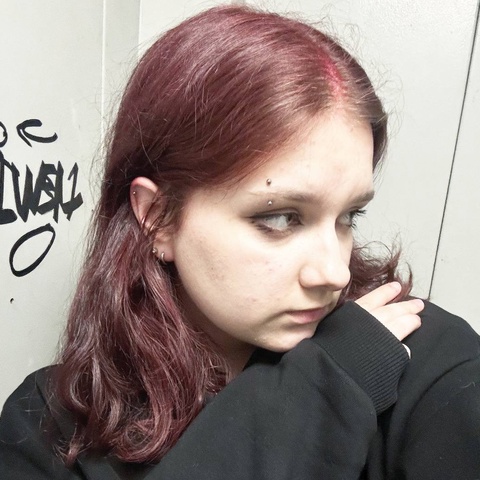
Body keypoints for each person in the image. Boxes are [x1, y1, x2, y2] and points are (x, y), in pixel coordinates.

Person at [1, 5, 479, 479]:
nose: (334, 272)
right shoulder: (46, 426)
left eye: (348, 216)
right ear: (158, 217)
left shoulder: (421, 357)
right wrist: (316, 399)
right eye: (280, 218)